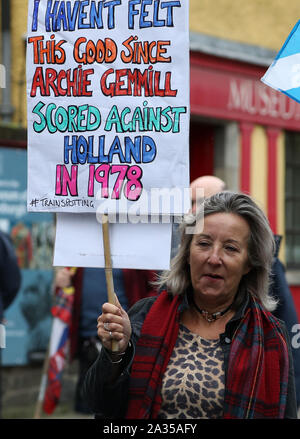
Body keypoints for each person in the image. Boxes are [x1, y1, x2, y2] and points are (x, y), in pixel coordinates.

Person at [83, 191, 297, 419]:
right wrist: (117, 352)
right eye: (204, 243)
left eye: (231, 248)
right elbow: (99, 402)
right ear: (186, 253)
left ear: (249, 263)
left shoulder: (271, 336)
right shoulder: (144, 317)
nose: (214, 258)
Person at [188, 175, 300, 410]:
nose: (197, 209)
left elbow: (286, 325)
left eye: (206, 200)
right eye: (191, 202)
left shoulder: (267, 271)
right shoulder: (171, 259)